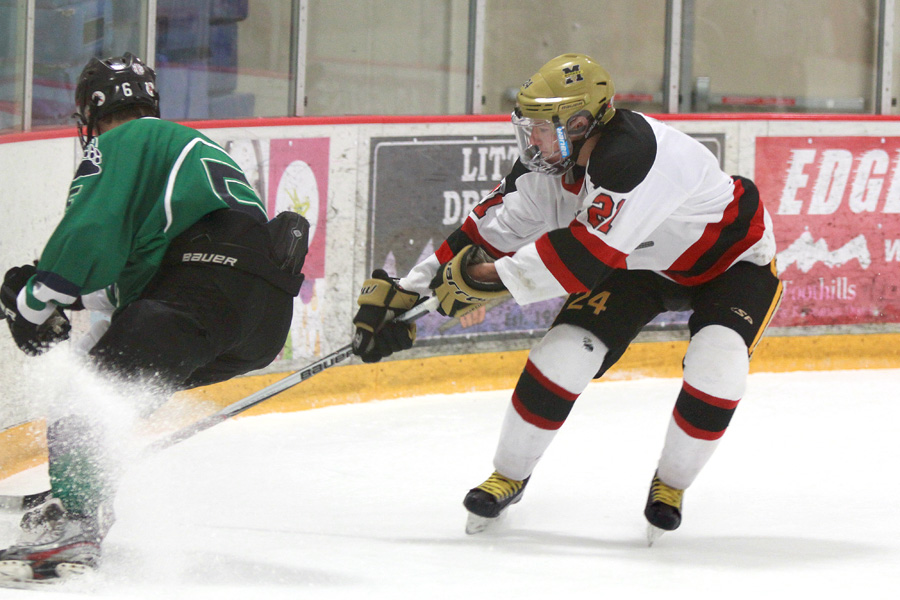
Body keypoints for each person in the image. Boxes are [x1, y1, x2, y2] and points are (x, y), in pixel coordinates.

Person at [352, 53, 782, 543]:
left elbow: (580, 260)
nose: (530, 140)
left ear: (579, 124)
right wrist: (407, 292)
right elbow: (485, 234)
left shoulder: (634, 157)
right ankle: (508, 476)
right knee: (562, 354)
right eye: (528, 127)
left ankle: (672, 484)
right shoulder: (546, 167)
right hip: (632, 262)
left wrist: (482, 282)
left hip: (730, 263)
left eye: (541, 128)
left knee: (719, 364)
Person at [0, 52, 308, 582]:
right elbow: (139, 279)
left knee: (86, 397)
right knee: (110, 392)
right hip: (259, 322)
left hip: (199, 294)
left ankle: (75, 522)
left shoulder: (125, 140)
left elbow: (90, 229)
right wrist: (64, 300)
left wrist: (36, 298)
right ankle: (84, 492)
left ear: (94, 111)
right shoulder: (189, 151)